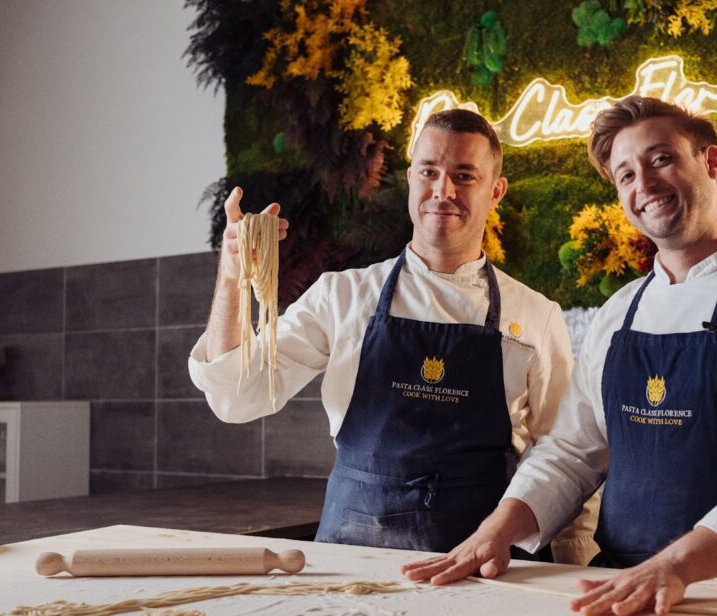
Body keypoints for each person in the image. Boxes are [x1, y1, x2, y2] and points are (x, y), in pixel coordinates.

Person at [402, 96, 717, 616]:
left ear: (712, 161)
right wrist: (496, 531)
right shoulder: (619, 312)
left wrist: (678, 565)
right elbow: (571, 452)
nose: (644, 183)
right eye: (625, 175)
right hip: (619, 588)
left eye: (661, 159)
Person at [189, 109, 585, 558]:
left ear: (496, 191)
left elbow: (564, 457)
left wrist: (573, 568)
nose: (443, 190)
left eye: (464, 175)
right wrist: (231, 276)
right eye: (429, 172)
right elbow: (237, 396)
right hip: (353, 558)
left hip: (485, 563)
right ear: (411, 179)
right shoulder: (342, 296)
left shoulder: (536, 315)